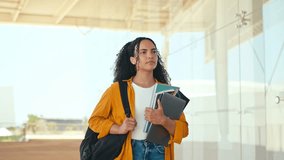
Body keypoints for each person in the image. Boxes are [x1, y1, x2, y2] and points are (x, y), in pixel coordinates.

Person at [88, 37, 188, 160]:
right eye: (143, 52)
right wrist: (119, 128)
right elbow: (94, 121)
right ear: (133, 59)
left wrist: (163, 120)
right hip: (129, 150)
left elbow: (184, 130)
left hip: (159, 151)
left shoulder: (169, 91)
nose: (150, 55)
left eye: (153, 51)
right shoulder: (116, 90)